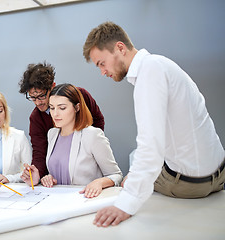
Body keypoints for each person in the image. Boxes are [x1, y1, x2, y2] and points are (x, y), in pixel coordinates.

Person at [83, 21, 225, 227]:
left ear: (120, 48)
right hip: (219, 174)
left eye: (101, 63)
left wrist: (126, 204)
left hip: (191, 185)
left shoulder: (148, 73)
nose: (102, 72)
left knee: (129, 178)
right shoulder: (161, 64)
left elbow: (151, 147)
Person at [21, 83, 122, 198]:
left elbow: (116, 175)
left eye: (62, 108)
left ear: (77, 107)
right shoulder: (52, 134)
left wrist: (99, 182)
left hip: (85, 201)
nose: (55, 114)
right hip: (58, 202)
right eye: (52, 108)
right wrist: (46, 178)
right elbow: (60, 172)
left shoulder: (92, 135)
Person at [18, 62, 105, 178]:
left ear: (52, 86)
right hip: (59, 173)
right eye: (32, 98)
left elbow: (98, 121)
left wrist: (93, 148)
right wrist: (36, 174)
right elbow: (40, 152)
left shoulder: (80, 95)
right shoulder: (36, 118)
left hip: (87, 168)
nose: (38, 102)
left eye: (41, 96)